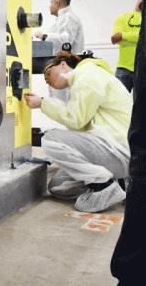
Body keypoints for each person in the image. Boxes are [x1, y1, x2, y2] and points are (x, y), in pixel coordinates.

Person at [24, 51, 132, 213]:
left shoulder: (87, 74)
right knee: (58, 186)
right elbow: (80, 126)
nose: (47, 80)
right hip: (111, 149)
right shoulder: (84, 78)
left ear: (63, 64)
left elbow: (76, 119)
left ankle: (103, 186)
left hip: (118, 149)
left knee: (50, 140)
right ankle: (119, 184)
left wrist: (43, 103)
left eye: (48, 73)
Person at [99, 0, 146, 281]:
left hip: (134, 65)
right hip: (124, 67)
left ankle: (134, 273)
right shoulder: (123, 16)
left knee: (142, 144)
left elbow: (122, 38)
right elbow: (116, 38)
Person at [34, 0, 85, 102]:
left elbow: (65, 41)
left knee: (63, 105)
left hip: (65, 68)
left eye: (51, 2)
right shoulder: (62, 19)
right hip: (60, 68)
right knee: (58, 104)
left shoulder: (68, 18)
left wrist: (44, 36)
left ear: (57, 3)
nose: (49, 6)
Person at [112, 0, 143, 92]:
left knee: (141, 106)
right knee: (116, 103)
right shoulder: (121, 17)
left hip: (143, 69)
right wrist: (138, 37)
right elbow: (116, 40)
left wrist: (123, 35)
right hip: (123, 69)